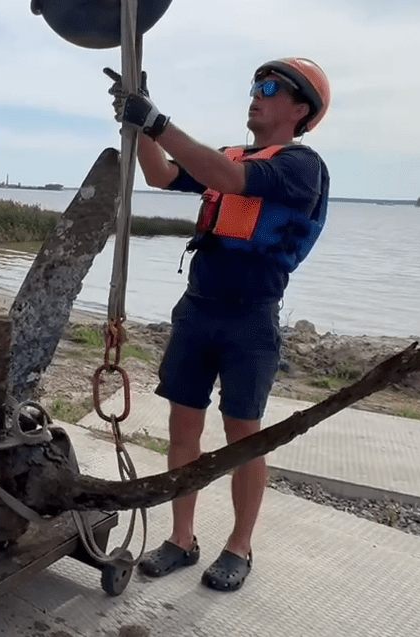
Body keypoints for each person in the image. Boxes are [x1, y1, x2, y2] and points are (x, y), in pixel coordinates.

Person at [108, 58, 332, 591]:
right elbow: (161, 173)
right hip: (198, 309)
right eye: (255, 85)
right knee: (183, 431)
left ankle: (240, 546)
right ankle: (181, 540)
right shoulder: (228, 155)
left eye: (271, 88)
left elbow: (231, 179)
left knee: (243, 438)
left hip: (250, 321)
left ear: (301, 110)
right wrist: (139, 126)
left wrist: (158, 121)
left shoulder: (302, 167)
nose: (257, 93)